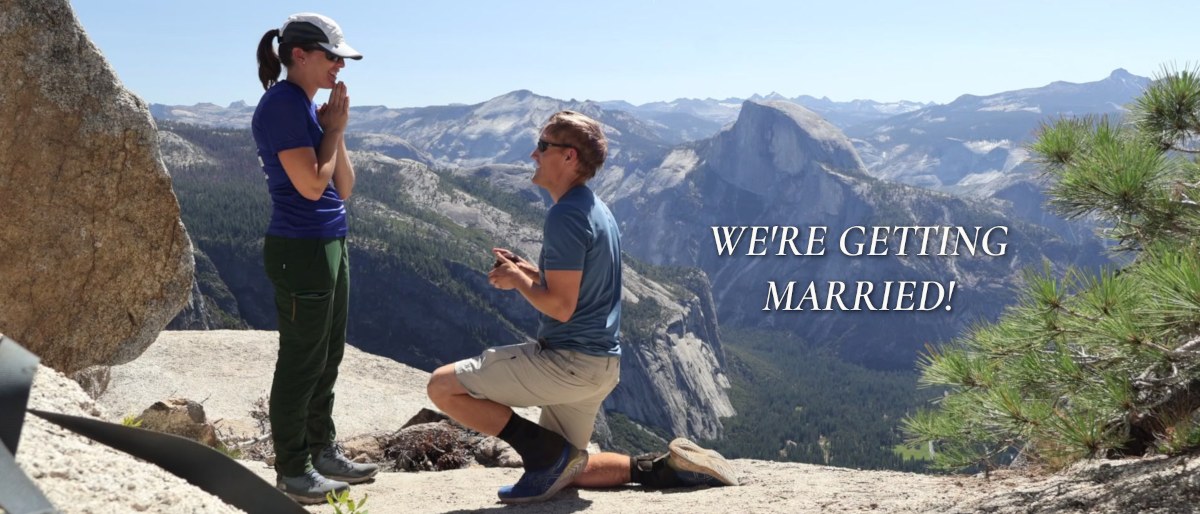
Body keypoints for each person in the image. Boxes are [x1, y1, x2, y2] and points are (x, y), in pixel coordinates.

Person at [427, 110, 738, 504]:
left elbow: (560, 307)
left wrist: (518, 281)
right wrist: (531, 271)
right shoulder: (594, 207)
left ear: (569, 157)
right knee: (572, 467)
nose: (532, 155)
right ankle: (665, 468)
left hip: (568, 363)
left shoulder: (565, 215)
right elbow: (579, 286)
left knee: (441, 386)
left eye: (543, 146)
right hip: (600, 365)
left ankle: (543, 454)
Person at [252, 12, 378, 504]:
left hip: (327, 242)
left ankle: (322, 451)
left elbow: (342, 187)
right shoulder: (283, 104)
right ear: (299, 55)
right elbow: (309, 186)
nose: (339, 67)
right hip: (300, 248)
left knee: (327, 354)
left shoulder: (305, 106)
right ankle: (294, 469)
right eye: (332, 57)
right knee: (302, 360)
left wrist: (335, 130)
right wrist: (332, 129)